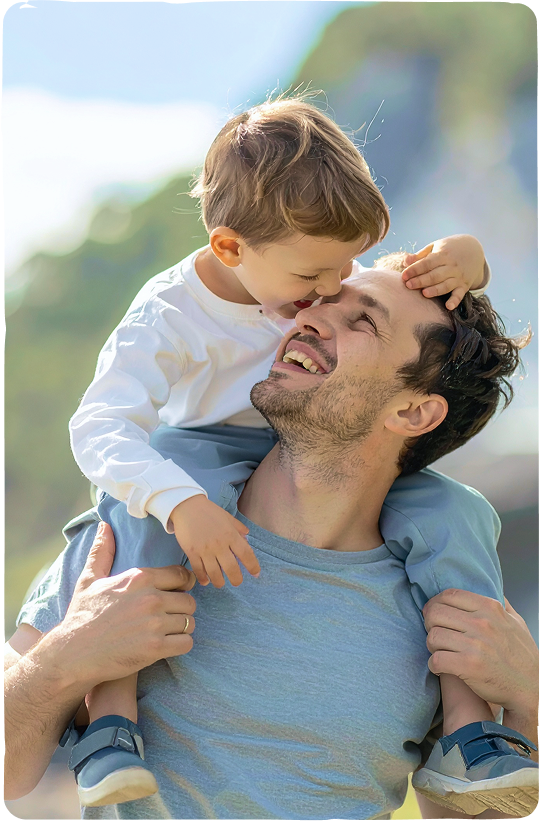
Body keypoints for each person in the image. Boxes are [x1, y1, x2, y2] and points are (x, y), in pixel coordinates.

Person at [64, 90, 496, 807]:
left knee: (454, 510)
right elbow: (100, 426)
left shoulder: (310, 262)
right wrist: (180, 503)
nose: (329, 294)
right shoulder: (169, 316)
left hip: (291, 447)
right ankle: (111, 718)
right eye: (313, 281)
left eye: (344, 274)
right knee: (141, 500)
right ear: (230, 248)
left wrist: (468, 259)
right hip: (199, 455)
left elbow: (403, 284)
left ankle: (471, 727)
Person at [5, 266, 538, 819]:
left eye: (361, 321)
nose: (309, 316)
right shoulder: (137, 533)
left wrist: (530, 704)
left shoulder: (436, 599)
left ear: (413, 411)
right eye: (320, 300)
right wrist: (66, 656)